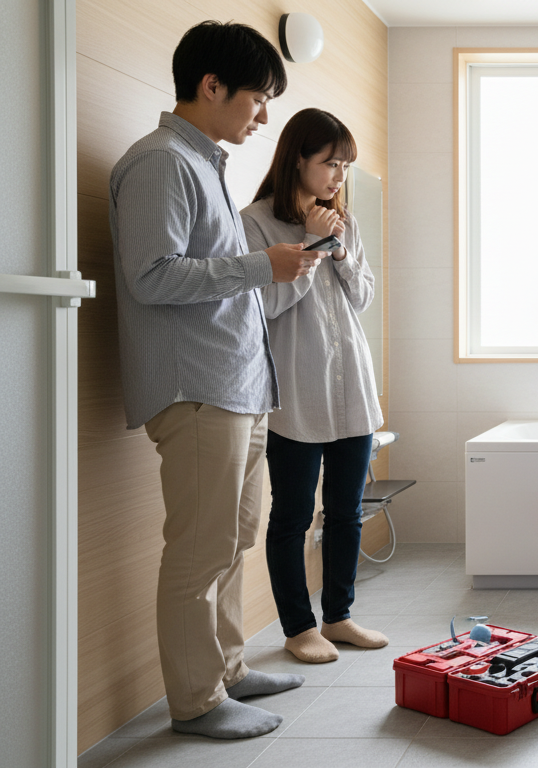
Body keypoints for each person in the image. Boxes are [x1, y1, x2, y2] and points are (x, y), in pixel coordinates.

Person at [109, 21, 318, 739]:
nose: (263, 117)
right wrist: (265, 266)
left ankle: (227, 668)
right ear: (211, 86)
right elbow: (152, 276)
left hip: (233, 386)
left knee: (234, 536)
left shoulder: (201, 164)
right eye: (258, 99)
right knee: (200, 548)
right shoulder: (162, 162)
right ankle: (196, 701)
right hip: (196, 389)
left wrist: (271, 268)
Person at [240, 108, 386, 663]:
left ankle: (340, 616)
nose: (339, 176)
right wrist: (310, 242)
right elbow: (266, 304)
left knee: (347, 510)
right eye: (330, 163)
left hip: (352, 387)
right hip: (295, 394)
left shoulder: (342, 221)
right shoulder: (255, 222)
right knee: (294, 515)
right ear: (297, 158)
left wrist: (341, 250)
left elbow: (363, 298)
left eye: (346, 165)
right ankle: (299, 628)